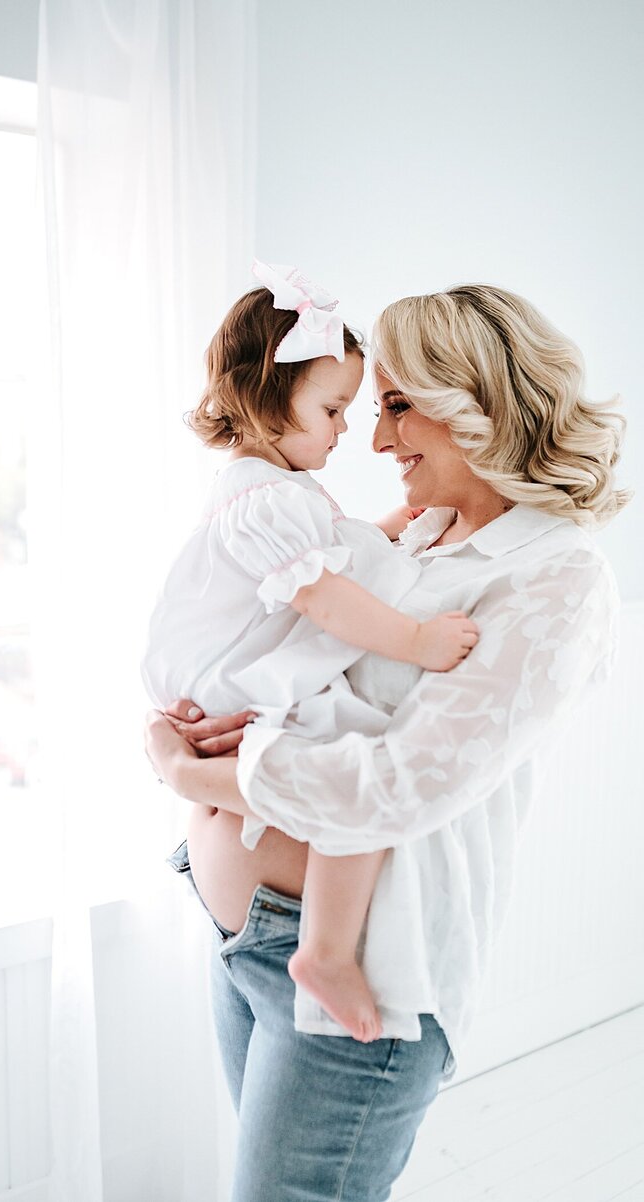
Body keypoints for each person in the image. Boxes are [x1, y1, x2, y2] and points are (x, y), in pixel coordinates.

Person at [145, 282, 629, 1202]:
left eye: (398, 408)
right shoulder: (421, 542)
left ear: (476, 402)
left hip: (361, 971)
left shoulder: (557, 581)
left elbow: (394, 787)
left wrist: (192, 766)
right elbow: (291, 657)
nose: (373, 442)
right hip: (246, 938)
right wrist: (191, 719)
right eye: (367, 410)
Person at [142, 260, 479, 1042]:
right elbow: (326, 595)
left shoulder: (271, 493)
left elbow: (347, 551)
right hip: (222, 678)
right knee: (352, 754)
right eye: (332, 409)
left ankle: (323, 947)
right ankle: (325, 950)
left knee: (344, 757)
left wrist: (406, 516)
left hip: (224, 681)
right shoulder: (265, 497)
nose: (347, 431)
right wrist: (419, 641)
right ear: (268, 392)